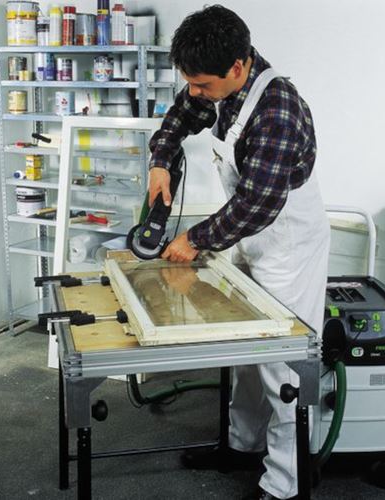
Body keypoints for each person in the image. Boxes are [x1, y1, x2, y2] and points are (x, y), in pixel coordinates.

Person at [148, 5, 330, 500]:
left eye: (201, 84)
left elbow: (257, 204)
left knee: (283, 368)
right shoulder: (220, 85)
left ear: (236, 67)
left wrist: (193, 240)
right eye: (189, 82)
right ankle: (242, 446)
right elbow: (180, 116)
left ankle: (286, 483)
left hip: (287, 246)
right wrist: (161, 160)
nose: (194, 93)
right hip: (248, 235)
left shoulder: (277, 111)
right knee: (248, 351)